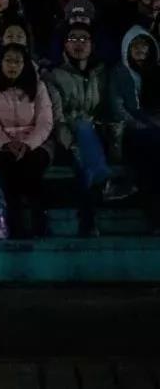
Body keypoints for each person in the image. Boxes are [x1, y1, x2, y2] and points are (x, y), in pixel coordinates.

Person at [44, 20, 120, 236]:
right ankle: (101, 186)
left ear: (92, 45)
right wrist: (71, 143)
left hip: (98, 135)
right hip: (67, 137)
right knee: (82, 152)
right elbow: (57, 117)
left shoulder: (102, 74)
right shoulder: (54, 75)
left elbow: (109, 109)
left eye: (84, 39)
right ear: (64, 45)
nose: (78, 43)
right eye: (73, 39)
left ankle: (88, 220)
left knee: (86, 154)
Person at [0, 43, 55, 238]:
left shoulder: (38, 86)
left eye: (17, 61)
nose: (12, 66)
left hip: (36, 141)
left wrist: (28, 144)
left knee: (33, 165)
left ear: (25, 64)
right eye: (8, 61)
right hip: (3, 142)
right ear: (1, 63)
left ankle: (39, 222)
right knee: (8, 167)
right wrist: (5, 143)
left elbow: (45, 121)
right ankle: (15, 225)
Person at [108, 26, 160, 231]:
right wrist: (136, 123)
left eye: (144, 44)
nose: (140, 49)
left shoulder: (156, 71)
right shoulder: (119, 72)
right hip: (130, 130)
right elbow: (117, 106)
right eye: (135, 45)